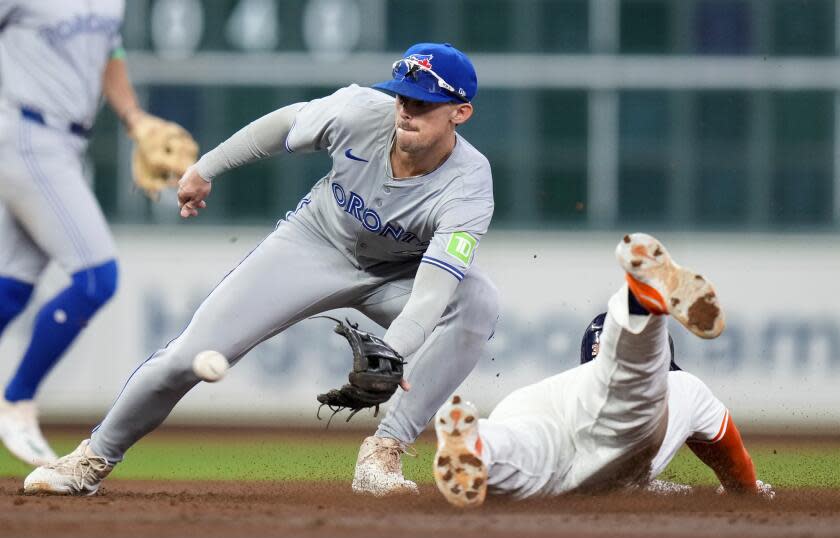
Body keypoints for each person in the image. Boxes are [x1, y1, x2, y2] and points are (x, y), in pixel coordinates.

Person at [23, 42, 498, 497]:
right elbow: (283, 126)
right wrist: (204, 169)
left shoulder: (469, 185)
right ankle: (92, 459)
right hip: (316, 244)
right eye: (403, 97)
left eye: (424, 102)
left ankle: (385, 450)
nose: (406, 110)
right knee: (189, 355)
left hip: (398, 275)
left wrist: (393, 352)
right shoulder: (360, 112)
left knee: (477, 301)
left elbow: (434, 292)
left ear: (460, 113)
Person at [432, 233, 773, 508]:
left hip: (529, 407)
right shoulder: (681, 385)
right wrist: (746, 491)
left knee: (527, 459)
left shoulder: (569, 382)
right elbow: (730, 450)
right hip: (607, 426)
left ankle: (479, 443)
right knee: (629, 394)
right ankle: (642, 301)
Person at [0, 1, 193, 466]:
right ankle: (16, 402)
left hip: (67, 144)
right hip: (23, 131)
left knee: (12, 287)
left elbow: (110, 54)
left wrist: (134, 118)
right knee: (95, 277)